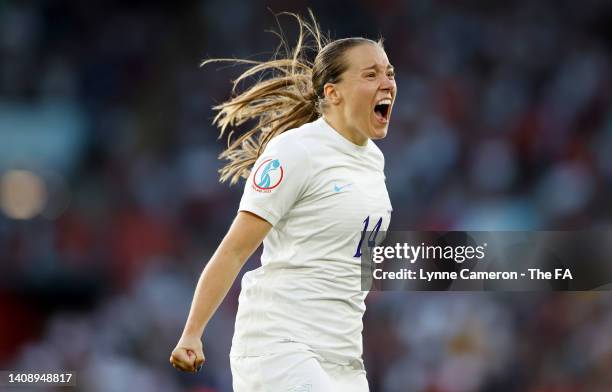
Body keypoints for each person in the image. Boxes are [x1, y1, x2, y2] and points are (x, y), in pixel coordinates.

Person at [170, 11, 396, 391]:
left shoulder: (373, 161)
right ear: (333, 92)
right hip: (281, 347)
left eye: (389, 72)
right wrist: (192, 332)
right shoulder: (297, 150)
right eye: (370, 74)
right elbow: (234, 250)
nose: (387, 82)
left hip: (343, 358)